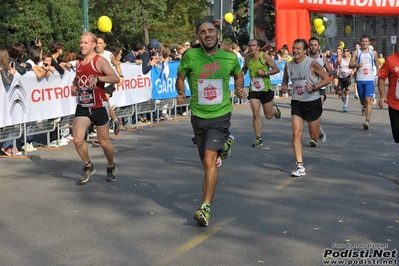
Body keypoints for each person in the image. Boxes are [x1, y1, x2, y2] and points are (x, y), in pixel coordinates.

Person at [175, 21, 246, 227]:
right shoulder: (190, 56)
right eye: (203, 32)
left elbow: (239, 77)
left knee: (209, 161)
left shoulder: (230, 57)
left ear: (217, 34)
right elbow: (180, 78)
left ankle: (205, 207)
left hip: (221, 114)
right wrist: (181, 91)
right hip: (198, 115)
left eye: (211, 31)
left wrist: (240, 88)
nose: (207, 34)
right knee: (206, 164)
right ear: (198, 37)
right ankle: (225, 144)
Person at [71, 31, 119, 185]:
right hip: (83, 107)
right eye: (81, 42)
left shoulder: (99, 61)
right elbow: (77, 80)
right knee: (78, 140)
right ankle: (88, 166)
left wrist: (99, 78)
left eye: (85, 43)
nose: (82, 45)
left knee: (104, 143)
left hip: (99, 106)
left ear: (93, 45)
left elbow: (115, 78)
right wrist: (74, 87)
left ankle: (110, 165)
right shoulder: (79, 63)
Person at [280, 39, 330, 177]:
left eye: (298, 49)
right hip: (297, 102)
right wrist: (284, 86)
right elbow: (285, 80)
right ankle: (300, 166)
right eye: (293, 48)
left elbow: (327, 79)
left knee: (313, 136)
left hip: (312, 102)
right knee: (296, 133)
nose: (295, 51)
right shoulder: (288, 65)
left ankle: (318, 131)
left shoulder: (312, 64)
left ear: (305, 50)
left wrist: (313, 87)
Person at [241, 39, 281, 148]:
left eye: (254, 45)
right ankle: (258, 138)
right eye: (250, 45)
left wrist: (265, 73)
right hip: (253, 89)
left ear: (258, 47)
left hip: (265, 89)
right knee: (255, 113)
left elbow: (277, 69)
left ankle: (274, 109)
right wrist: (241, 73)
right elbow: (245, 68)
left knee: (268, 115)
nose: (251, 47)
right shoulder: (247, 58)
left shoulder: (265, 57)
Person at [377, 44, 399, 184]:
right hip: (394, 104)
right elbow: (381, 77)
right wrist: (382, 95)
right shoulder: (391, 60)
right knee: (398, 137)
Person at [349, 35, 379, 130]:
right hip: (360, 80)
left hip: (370, 80)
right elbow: (350, 65)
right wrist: (357, 64)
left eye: (366, 41)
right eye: (363, 41)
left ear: (369, 42)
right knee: (363, 101)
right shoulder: (356, 52)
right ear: (360, 42)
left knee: (368, 100)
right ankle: (364, 107)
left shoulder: (373, 53)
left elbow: (377, 63)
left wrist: (379, 71)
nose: (364, 43)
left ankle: (367, 121)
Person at [96, 35, 124, 135]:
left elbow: (116, 65)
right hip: (97, 84)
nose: (98, 45)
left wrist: (121, 76)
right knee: (103, 106)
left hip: (108, 83)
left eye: (100, 43)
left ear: (104, 45)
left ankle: (103, 130)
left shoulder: (109, 55)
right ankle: (115, 120)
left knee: (103, 103)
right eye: (97, 43)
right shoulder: (92, 54)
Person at [307, 37, 333, 147]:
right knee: (310, 113)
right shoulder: (305, 58)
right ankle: (319, 131)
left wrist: (323, 72)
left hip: (320, 89)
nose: (313, 46)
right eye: (311, 45)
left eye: (315, 45)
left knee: (316, 111)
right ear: (309, 46)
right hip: (308, 88)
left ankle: (315, 138)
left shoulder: (323, 58)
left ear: (318, 46)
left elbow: (330, 73)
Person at [0, 47, 22, 156]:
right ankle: (7, 146)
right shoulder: (1, 68)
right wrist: (12, 73)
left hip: (7, 100)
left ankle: (10, 145)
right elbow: (8, 81)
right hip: (3, 101)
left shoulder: (3, 68)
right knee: (7, 122)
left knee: (10, 122)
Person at [336, 47, 355, 112]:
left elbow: (354, 67)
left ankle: (345, 106)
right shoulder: (340, 59)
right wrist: (337, 71)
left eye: (347, 51)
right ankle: (342, 97)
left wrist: (353, 71)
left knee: (346, 92)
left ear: (349, 52)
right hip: (341, 77)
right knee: (339, 92)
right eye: (344, 51)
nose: (345, 52)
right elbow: (336, 65)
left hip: (348, 77)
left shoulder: (351, 60)